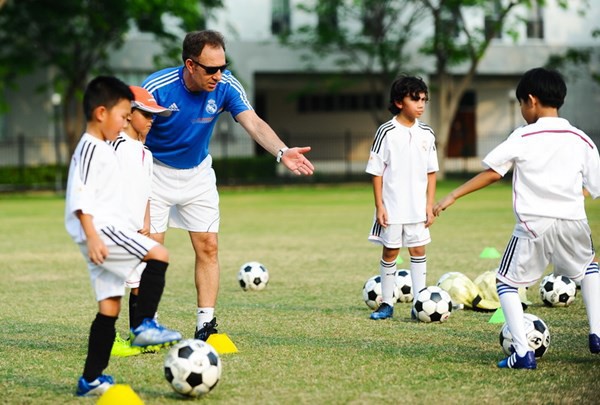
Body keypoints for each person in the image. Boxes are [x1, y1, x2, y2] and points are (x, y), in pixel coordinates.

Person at [141, 30, 314, 340]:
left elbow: (253, 121)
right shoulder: (158, 88)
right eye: (211, 69)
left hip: (197, 174)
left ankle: (205, 326)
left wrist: (281, 151)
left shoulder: (225, 85)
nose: (218, 75)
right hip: (154, 172)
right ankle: (146, 323)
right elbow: (132, 133)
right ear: (190, 65)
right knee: (151, 250)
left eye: (223, 66)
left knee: (209, 246)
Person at [433, 67, 600, 369]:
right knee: (590, 270)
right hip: (574, 222)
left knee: (506, 283)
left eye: (521, 104)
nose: (522, 110)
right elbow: (595, 187)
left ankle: (522, 353)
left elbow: (493, 172)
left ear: (532, 100)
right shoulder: (582, 139)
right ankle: (596, 333)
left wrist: (453, 195)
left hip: (533, 225)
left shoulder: (523, 135)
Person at [65, 76, 181, 396]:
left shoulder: (107, 147)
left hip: (103, 230)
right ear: (101, 113)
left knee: (109, 307)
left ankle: (91, 379)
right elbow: (80, 197)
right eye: (123, 115)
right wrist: (92, 236)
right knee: (159, 254)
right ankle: (144, 325)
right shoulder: (93, 148)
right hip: (102, 229)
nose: (126, 121)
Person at [366, 75, 438, 320]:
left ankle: (420, 302)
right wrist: (380, 206)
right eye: (415, 99)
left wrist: (429, 205)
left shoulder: (427, 133)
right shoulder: (386, 131)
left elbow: (431, 172)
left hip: (418, 208)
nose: (421, 105)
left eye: (424, 100)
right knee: (390, 253)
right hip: (393, 207)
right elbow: (376, 171)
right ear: (399, 102)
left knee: (418, 250)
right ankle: (387, 303)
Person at [109, 86, 172, 357]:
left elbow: (145, 192)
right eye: (145, 114)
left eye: (153, 115)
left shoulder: (145, 152)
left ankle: (139, 335)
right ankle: (108, 339)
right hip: (115, 229)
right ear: (128, 114)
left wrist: (145, 222)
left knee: (137, 283)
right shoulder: (117, 147)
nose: (151, 120)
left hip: (137, 231)